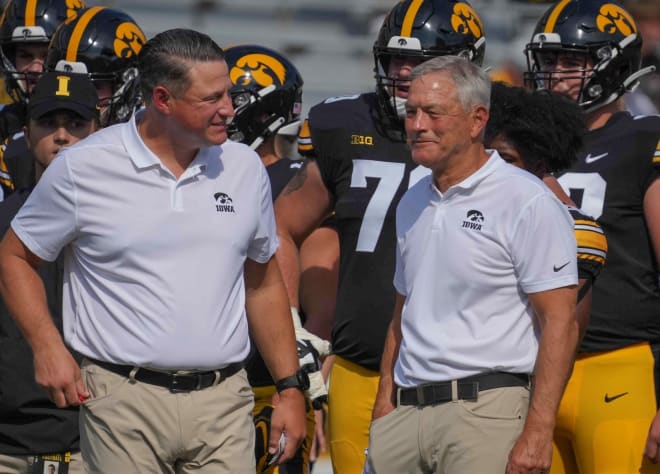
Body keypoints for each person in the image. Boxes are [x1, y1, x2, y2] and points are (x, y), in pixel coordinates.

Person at [0, 28, 306, 473]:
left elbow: (262, 283)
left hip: (224, 400)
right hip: (121, 398)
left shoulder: (244, 168)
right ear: (162, 100)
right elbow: (15, 257)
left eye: (229, 94)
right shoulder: (83, 167)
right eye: (212, 98)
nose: (229, 109)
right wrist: (47, 347)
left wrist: (289, 388)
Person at [274, 1, 486, 471]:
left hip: (469, 380)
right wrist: (291, 326)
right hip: (362, 368)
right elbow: (278, 226)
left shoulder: (500, 129)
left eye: (421, 62)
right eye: (395, 59)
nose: (404, 73)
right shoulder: (347, 124)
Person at [367, 55, 580, 474]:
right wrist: (383, 406)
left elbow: (561, 322)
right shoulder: (412, 199)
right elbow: (402, 314)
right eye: (411, 112)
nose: (417, 124)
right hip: (405, 417)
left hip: (487, 413)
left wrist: (538, 430)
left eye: (433, 112)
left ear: (476, 119)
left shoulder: (526, 199)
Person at [525, 0, 660, 472]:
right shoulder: (520, 147)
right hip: (531, 371)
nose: (555, 75)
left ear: (614, 65)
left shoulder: (645, 140)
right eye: (548, 61)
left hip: (617, 366)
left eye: (572, 61)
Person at [224, 43, 336, 474]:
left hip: (271, 381)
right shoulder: (203, 176)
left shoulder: (291, 183)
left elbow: (321, 277)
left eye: (226, 98)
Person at [0, 70, 99, 474]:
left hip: (96, 443)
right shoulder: (3, 220)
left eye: (76, 124)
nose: (62, 136)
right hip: (7, 444)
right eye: (48, 123)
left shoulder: (131, 221)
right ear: (26, 131)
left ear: (99, 130)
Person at [484, 82, 608, 342]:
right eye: (485, 156)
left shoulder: (573, 229)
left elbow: (563, 334)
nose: (491, 167)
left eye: (504, 158)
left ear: (538, 164)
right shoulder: (457, 205)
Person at [0, 6, 147, 199]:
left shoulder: (158, 150)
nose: (75, 98)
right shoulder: (15, 153)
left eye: (92, 86)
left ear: (129, 86)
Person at [0, 0, 86, 199]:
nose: (35, 69)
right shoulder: (5, 124)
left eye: (46, 55)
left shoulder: (110, 124)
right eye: (25, 55)